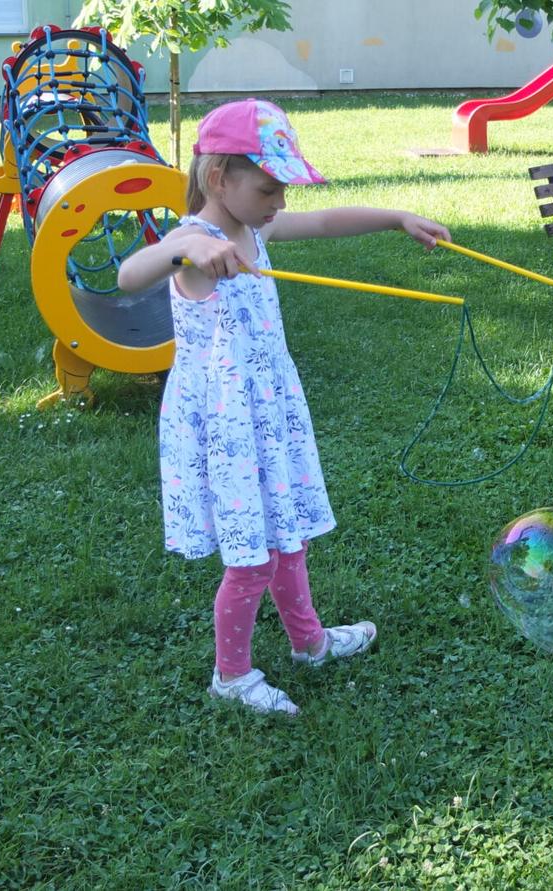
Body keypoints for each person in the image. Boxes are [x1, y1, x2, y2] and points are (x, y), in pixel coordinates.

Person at [116, 99, 450, 715]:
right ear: (219, 179)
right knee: (251, 559)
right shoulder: (197, 241)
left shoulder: (253, 228)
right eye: (270, 187)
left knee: (288, 540)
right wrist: (184, 251)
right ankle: (232, 676)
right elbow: (131, 273)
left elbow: (324, 224)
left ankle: (310, 642)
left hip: (268, 413)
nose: (281, 203)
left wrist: (397, 217)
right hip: (229, 425)